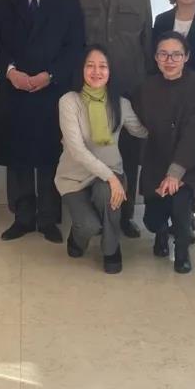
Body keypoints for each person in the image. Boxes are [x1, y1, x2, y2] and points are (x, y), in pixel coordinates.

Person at [0, 0, 85, 243]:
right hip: (14, 88)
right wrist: (11, 72)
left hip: (51, 90)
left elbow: (75, 46)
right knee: (18, 157)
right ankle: (22, 217)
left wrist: (50, 75)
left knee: (49, 155)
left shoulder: (67, 0)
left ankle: (48, 219)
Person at [74, 0, 154, 238]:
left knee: (129, 155)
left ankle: (125, 216)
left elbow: (147, 41)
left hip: (131, 89)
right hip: (93, 91)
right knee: (95, 151)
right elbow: (75, 46)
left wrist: (148, 87)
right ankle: (96, 213)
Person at [56, 45, 148, 274]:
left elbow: (142, 131)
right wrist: (113, 178)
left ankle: (111, 249)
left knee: (108, 194)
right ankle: (78, 237)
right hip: (74, 177)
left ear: (110, 71)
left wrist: (169, 125)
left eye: (103, 66)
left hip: (109, 172)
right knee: (89, 225)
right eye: (90, 66)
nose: (96, 72)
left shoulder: (121, 104)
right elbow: (77, 150)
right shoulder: (69, 101)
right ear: (81, 70)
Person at [134, 32, 195, 273]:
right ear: (156, 58)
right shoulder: (146, 87)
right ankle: (160, 232)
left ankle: (182, 250)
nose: (170, 60)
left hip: (191, 162)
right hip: (156, 162)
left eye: (176, 54)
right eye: (163, 54)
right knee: (152, 220)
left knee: (180, 203)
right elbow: (136, 122)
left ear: (186, 57)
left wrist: (176, 172)